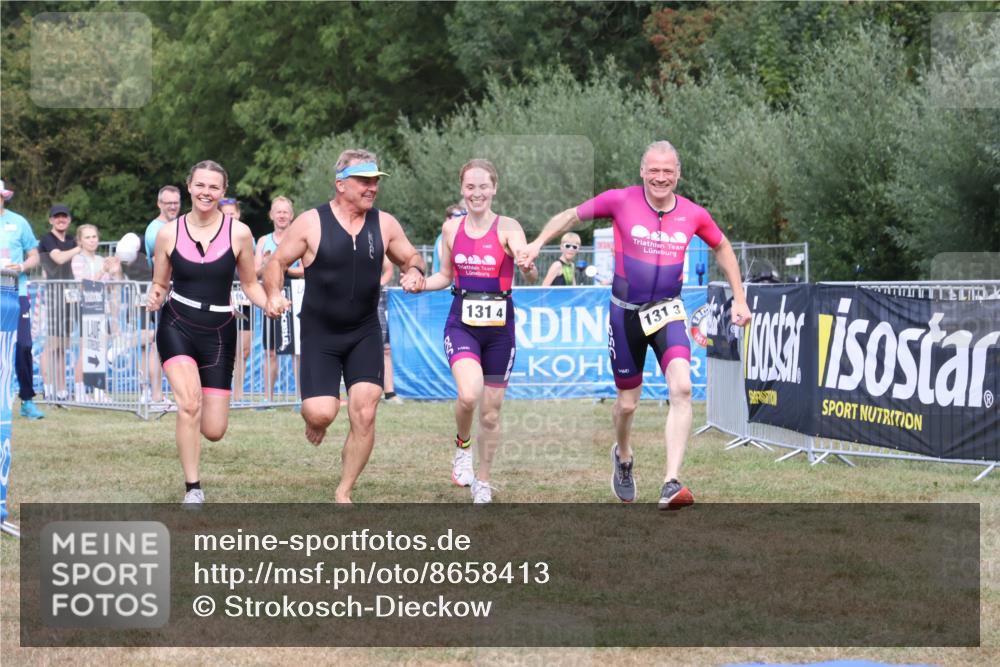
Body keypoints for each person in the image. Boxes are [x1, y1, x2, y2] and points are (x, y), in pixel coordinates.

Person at [518, 141, 752, 510]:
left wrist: (739, 298)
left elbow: (722, 247)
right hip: (625, 313)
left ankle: (671, 482)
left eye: (668, 171)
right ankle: (624, 456)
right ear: (642, 171)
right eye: (654, 170)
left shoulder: (693, 214)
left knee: (683, 389)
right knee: (627, 404)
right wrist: (537, 242)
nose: (661, 178)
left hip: (668, 311)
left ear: (678, 175)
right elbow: (570, 216)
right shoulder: (620, 200)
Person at [263, 149, 426, 504]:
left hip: (364, 330)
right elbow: (276, 262)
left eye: (375, 182)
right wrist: (273, 294)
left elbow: (412, 256)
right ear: (341, 185)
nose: (372, 188)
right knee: (322, 411)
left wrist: (414, 270)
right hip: (320, 332)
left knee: (365, 411)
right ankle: (316, 420)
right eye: (364, 181)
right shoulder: (310, 222)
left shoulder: (384, 224)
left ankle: (344, 490)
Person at [147, 160, 268, 506]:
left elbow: (249, 284)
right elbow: (160, 282)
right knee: (189, 403)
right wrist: (155, 295)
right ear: (189, 186)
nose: (206, 192)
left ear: (223, 192)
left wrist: (269, 304)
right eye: (200, 185)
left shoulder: (239, 233)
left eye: (214, 187)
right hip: (177, 323)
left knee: (214, 430)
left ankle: (193, 422)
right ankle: (193, 489)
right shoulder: (168, 233)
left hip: (219, 331)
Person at [421, 159, 538, 504]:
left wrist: (526, 264)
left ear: (494, 189)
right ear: (462, 190)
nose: (477, 193)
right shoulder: (450, 230)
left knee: (490, 411)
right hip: (462, 324)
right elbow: (443, 276)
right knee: (469, 395)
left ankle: (483, 481)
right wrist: (420, 284)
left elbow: (525, 266)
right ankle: (462, 447)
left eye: (483, 186)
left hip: (500, 329)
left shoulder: (508, 227)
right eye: (470, 187)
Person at [0, 179, 44, 419]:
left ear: (4, 196)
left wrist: (23, 266)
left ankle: (26, 400)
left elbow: (34, 255)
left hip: (17, 292)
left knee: (24, 345)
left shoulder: (18, 222)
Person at [255, 196, 302, 400]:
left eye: (285, 212)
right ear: (271, 215)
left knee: (297, 351)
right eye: (278, 211)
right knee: (270, 351)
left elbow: (306, 269)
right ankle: (268, 398)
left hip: (296, 293)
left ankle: (302, 397)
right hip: (271, 294)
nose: (282, 215)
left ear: (291, 216)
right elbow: (256, 271)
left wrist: (282, 268)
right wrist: (267, 266)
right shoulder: (264, 241)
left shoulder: (299, 237)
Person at [70, 224, 123, 401]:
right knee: (87, 349)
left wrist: (115, 272)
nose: (92, 240)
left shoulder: (102, 259)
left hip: (102, 307)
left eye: (94, 236)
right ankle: (79, 392)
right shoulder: (77, 259)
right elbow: (84, 284)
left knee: (99, 349)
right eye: (87, 237)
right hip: (85, 306)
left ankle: (99, 391)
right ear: (80, 241)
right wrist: (103, 271)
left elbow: (112, 287)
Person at [142, 186, 181, 404]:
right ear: (159, 204)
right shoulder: (155, 230)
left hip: (176, 290)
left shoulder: (177, 225)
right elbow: (160, 263)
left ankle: (162, 393)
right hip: (163, 290)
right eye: (168, 203)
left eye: (176, 202)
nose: (173, 206)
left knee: (171, 344)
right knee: (158, 344)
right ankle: (155, 394)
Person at [38, 204, 80, 400]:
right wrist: (80, 247)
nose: (60, 220)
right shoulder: (47, 239)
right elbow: (59, 258)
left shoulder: (71, 240)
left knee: (63, 346)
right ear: (50, 220)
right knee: (51, 345)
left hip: (69, 296)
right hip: (53, 295)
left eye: (64, 217)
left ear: (69, 220)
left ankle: (61, 390)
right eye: (57, 217)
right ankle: (48, 389)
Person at [219, 198, 254, 402]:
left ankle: (239, 395)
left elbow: (253, 269)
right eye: (225, 214)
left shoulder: (246, 236)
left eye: (232, 213)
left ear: (238, 214)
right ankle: (221, 391)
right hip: (222, 297)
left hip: (244, 297)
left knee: (244, 349)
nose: (230, 217)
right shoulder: (213, 236)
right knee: (224, 347)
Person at [377, 257, 402, 405]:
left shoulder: (377, 238)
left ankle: (389, 393)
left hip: (376, 300)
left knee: (385, 348)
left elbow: (389, 270)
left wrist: (376, 285)